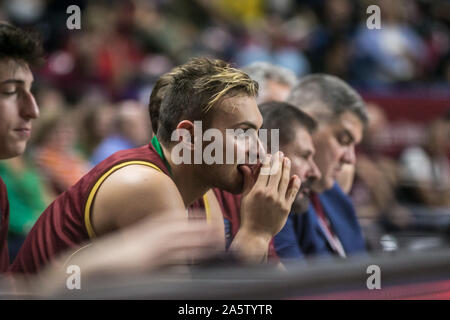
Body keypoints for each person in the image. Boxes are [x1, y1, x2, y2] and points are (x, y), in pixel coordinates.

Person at [12, 57, 300, 274]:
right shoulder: (143, 185)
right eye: (243, 133)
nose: (260, 151)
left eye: (258, 134)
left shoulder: (203, 193)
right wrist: (256, 233)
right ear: (187, 137)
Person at [0, 24, 223, 294]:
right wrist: (80, 272)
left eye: (31, 91)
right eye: (11, 91)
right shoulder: (143, 180)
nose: (33, 110)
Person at [274, 74, 368, 260]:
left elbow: (368, 276)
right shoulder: (275, 200)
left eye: (354, 145)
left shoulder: (337, 196)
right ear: (304, 126)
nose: (350, 158)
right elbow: (295, 286)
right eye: (343, 140)